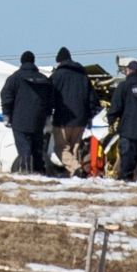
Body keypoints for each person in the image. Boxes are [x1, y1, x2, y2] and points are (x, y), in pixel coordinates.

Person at [50, 47, 101, 177]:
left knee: (61, 149)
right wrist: (90, 115)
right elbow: (92, 98)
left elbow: (49, 96)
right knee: (74, 150)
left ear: (59, 61)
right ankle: (74, 175)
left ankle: (77, 169)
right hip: (81, 120)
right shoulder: (83, 75)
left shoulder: (57, 75)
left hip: (63, 119)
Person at [1, 51, 54, 174]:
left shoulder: (15, 78)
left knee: (24, 147)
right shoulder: (44, 79)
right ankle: (39, 171)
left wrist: (6, 113)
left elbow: (6, 96)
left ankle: (25, 170)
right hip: (38, 120)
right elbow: (51, 99)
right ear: (33, 62)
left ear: (21, 61)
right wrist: (47, 115)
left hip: (19, 119)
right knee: (37, 147)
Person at [107, 61, 137, 181]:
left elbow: (116, 106)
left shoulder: (124, 86)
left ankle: (127, 179)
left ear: (128, 71)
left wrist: (111, 120)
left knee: (127, 158)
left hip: (128, 129)